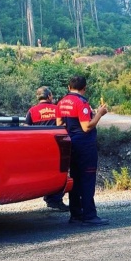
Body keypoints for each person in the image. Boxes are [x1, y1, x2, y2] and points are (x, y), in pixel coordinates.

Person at [56, 76, 109, 226]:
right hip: (84, 147)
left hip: (70, 145)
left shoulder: (61, 103)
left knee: (75, 179)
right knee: (87, 180)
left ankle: (75, 214)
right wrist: (100, 113)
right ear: (84, 88)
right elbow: (86, 127)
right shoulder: (81, 103)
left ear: (68, 87)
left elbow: (59, 125)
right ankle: (89, 215)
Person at [26, 86, 69, 212]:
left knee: (44, 173)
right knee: (59, 173)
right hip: (57, 146)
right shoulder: (57, 109)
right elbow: (64, 125)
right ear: (49, 96)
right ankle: (55, 199)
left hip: (38, 148)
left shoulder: (32, 111)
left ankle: (48, 197)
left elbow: (26, 128)